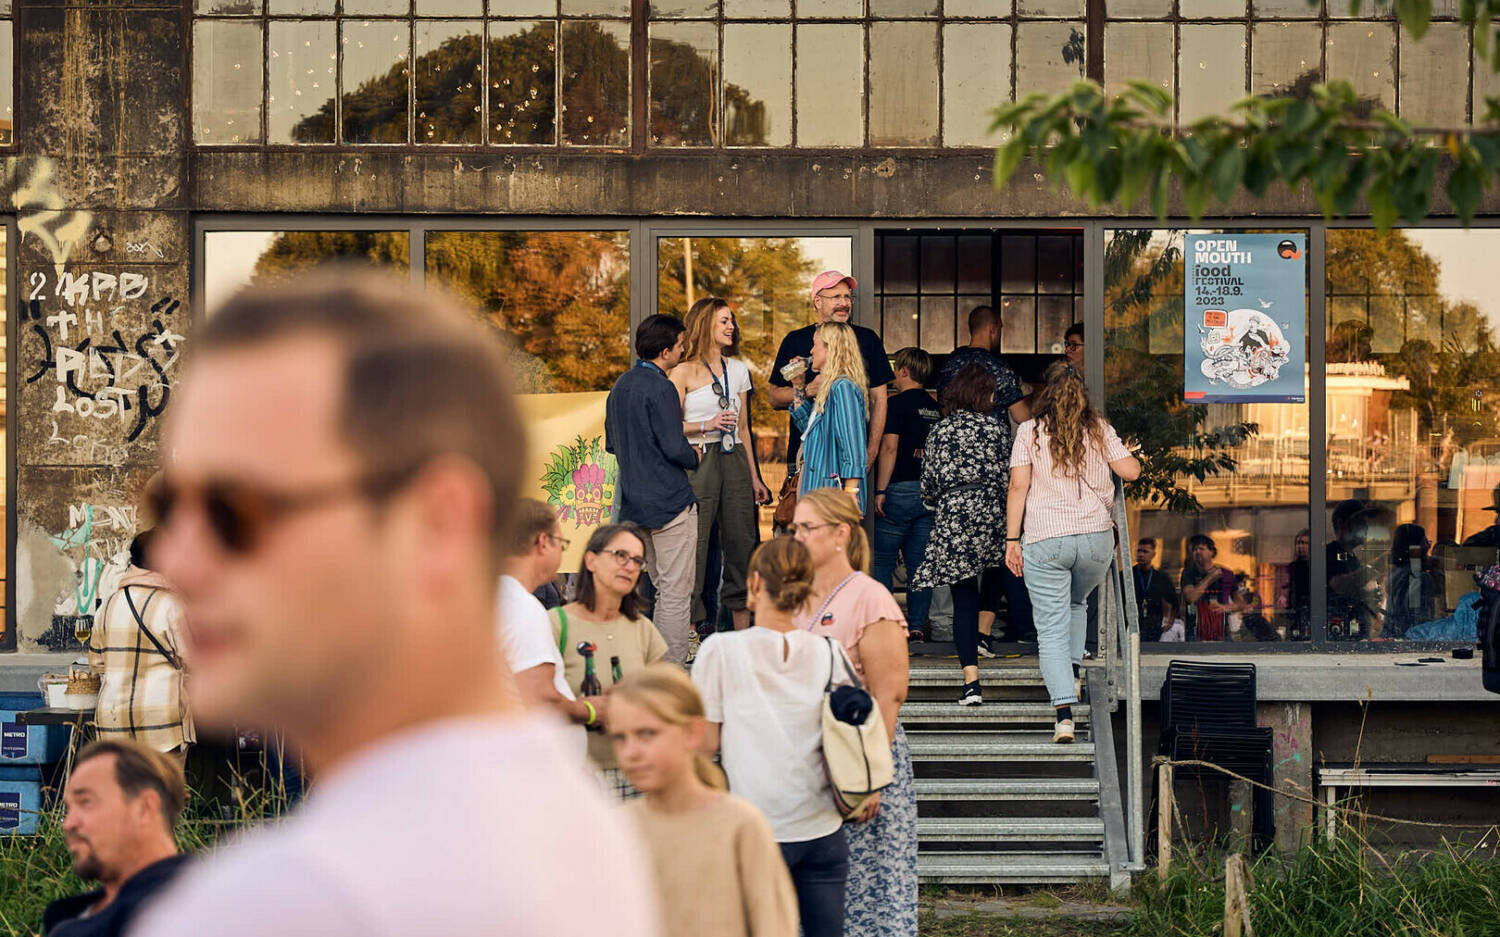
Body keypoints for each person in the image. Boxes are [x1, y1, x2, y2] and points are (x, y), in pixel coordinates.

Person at [137, 272, 654, 937]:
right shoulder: (570, 823)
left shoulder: (284, 901)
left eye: (234, 511)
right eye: (169, 508)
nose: (178, 560)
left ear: (436, 525)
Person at [691, 538, 850, 937]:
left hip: (755, 828)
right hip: (822, 827)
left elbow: (705, 745)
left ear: (756, 583)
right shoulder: (830, 651)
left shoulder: (720, 650)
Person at [791, 488, 916, 937]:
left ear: (841, 533)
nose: (797, 537)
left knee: (867, 893)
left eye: (808, 528)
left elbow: (889, 693)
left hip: (861, 757)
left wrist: (869, 779)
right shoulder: (797, 597)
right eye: (794, 528)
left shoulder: (870, 597)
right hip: (813, 758)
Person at [1005, 361, 1140, 744]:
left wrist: (1011, 541)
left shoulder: (1029, 432)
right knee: (1077, 604)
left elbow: (1018, 488)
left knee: (1049, 631)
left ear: (1043, 393)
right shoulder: (1100, 430)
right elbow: (1131, 472)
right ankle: (1076, 672)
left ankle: (1064, 715)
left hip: (1046, 539)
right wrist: (1125, 453)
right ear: (1082, 395)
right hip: (1095, 541)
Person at [612, 663, 799, 937]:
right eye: (620, 737)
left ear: (693, 732)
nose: (631, 752)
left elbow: (773, 924)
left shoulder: (739, 824)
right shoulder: (617, 827)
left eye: (647, 733)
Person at [671, 297, 771, 634]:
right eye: (724, 321)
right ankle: (688, 632)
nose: (732, 327)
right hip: (699, 457)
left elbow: (743, 428)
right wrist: (706, 424)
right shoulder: (681, 371)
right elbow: (669, 426)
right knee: (695, 545)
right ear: (704, 325)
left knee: (742, 544)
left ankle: (741, 635)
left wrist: (755, 478)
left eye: (732, 321)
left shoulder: (739, 370)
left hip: (736, 459)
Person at [606, 313, 700, 665]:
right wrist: (696, 457)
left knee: (650, 588)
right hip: (670, 502)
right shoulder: (661, 387)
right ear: (665, 351)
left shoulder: (620, 387)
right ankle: (668, 674)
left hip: (634, 504)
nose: (683, 350)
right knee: (674, 593)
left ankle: (643, 666)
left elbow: (612, 444)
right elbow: (675, 446)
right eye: (680, 345)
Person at [935, 306, 1030, 651]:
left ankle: (964, 654)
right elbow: (1024, 418)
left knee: (961, 572)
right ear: (994, 328)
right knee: (998, 553)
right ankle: (983, 631)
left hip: (954, 479)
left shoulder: (947, 367)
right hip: (993, 475)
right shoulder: (998, 369)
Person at [910, 364, 1006, 706]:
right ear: (983, 394)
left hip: (953, 512)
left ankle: (971, 684)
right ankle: (984, 633)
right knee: (1000, 571)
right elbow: (1007, 476)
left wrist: (947, 502)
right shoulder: (996, 429)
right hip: (992, 511)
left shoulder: (940, 431)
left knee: (963, 599)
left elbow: (929, 486)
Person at [552, 523, 671, 797]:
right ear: (591, 560)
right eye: (620, 555)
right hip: (573, 776)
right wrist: (586, 708)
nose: (630, 566)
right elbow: (535, 701)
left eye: (637, 560)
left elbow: (665, 700)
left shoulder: (643, 629)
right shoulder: (557, 624)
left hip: (634, 775)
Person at [42, 741, 190, 937]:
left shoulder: (182, 910)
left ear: (145, 808)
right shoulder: (80, 911)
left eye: (86, 802)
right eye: (69, 808)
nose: (68, 823)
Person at [497, 498, 596, 754]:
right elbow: (541, 695)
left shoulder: (497, 598)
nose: (562, 552)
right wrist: (591, 711)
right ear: (542, 543)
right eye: (561, 543)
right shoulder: (522, 607)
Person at [769, 271, 894, 472]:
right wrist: (808, 389)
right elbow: (774, 398)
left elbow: (879, 399)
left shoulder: (867, 339)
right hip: (806, 456)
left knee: (845, 503)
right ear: (817, 301)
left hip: (849, 460)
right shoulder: (796, 340)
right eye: (836, 297)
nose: (844, 303)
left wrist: (871, 452)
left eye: (847, 297)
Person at [88, 530, 193, 756]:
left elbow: (96, 664)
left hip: (113, 720)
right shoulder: (172, 605)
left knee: (123, 790)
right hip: (161, 722)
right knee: (163, 789)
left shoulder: (107, 606)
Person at [872, 348, 940, 642]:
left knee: (883, 562)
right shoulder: (936, 407)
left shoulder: (895, 405)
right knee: (920, 566)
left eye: (896, 370)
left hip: (898, 490)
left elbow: (889, 448)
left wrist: (880, 490)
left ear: (904, 371)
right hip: (929, 494)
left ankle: (888, 623)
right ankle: (916, 625)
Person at [790, 322, 871, 514]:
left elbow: (853, 446)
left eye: (815, 344)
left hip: (832, 499)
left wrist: (851, 495)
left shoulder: (842, 388)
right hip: (817, 492)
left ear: (830, 348)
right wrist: (798, 387)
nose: (811, 350)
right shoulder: (830, 388)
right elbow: (807, 431)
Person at [1327, 499, 1381, 640]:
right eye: (1360, 521)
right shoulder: (1329, 554)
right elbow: (1339, 585)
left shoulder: (1353, 559)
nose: (1366, 527)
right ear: (1341, 524)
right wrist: (1372, 569)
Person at [1384, 522, 1439, 638]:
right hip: (1411, 641)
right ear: (1415, 548)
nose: (1428, 546)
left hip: (1392, 637)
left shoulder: (1395, 573)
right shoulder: (1418, 578)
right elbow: (1418, 619)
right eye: (1425, 542)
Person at [1180, 534, 1235, 642]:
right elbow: (1191, 597)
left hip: (1221, 629)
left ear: (1212, 552)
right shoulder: (1188, 573)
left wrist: (1226, 608)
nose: (1197, 552)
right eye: (1195, 549)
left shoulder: (1226, 574)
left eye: (1201, 548)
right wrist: (1211, 577)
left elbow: (1240, 603)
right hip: (1195, 630)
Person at [1132, 538, 1178, 644]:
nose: (1141, 555)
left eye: (1145, 551)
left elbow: (1174, 602)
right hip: (1132, 624)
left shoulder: (1161, 578)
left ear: (1153, 554)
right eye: (1139, 551)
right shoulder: (1127, 576)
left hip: (1154, 626)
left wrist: (1169, 622)